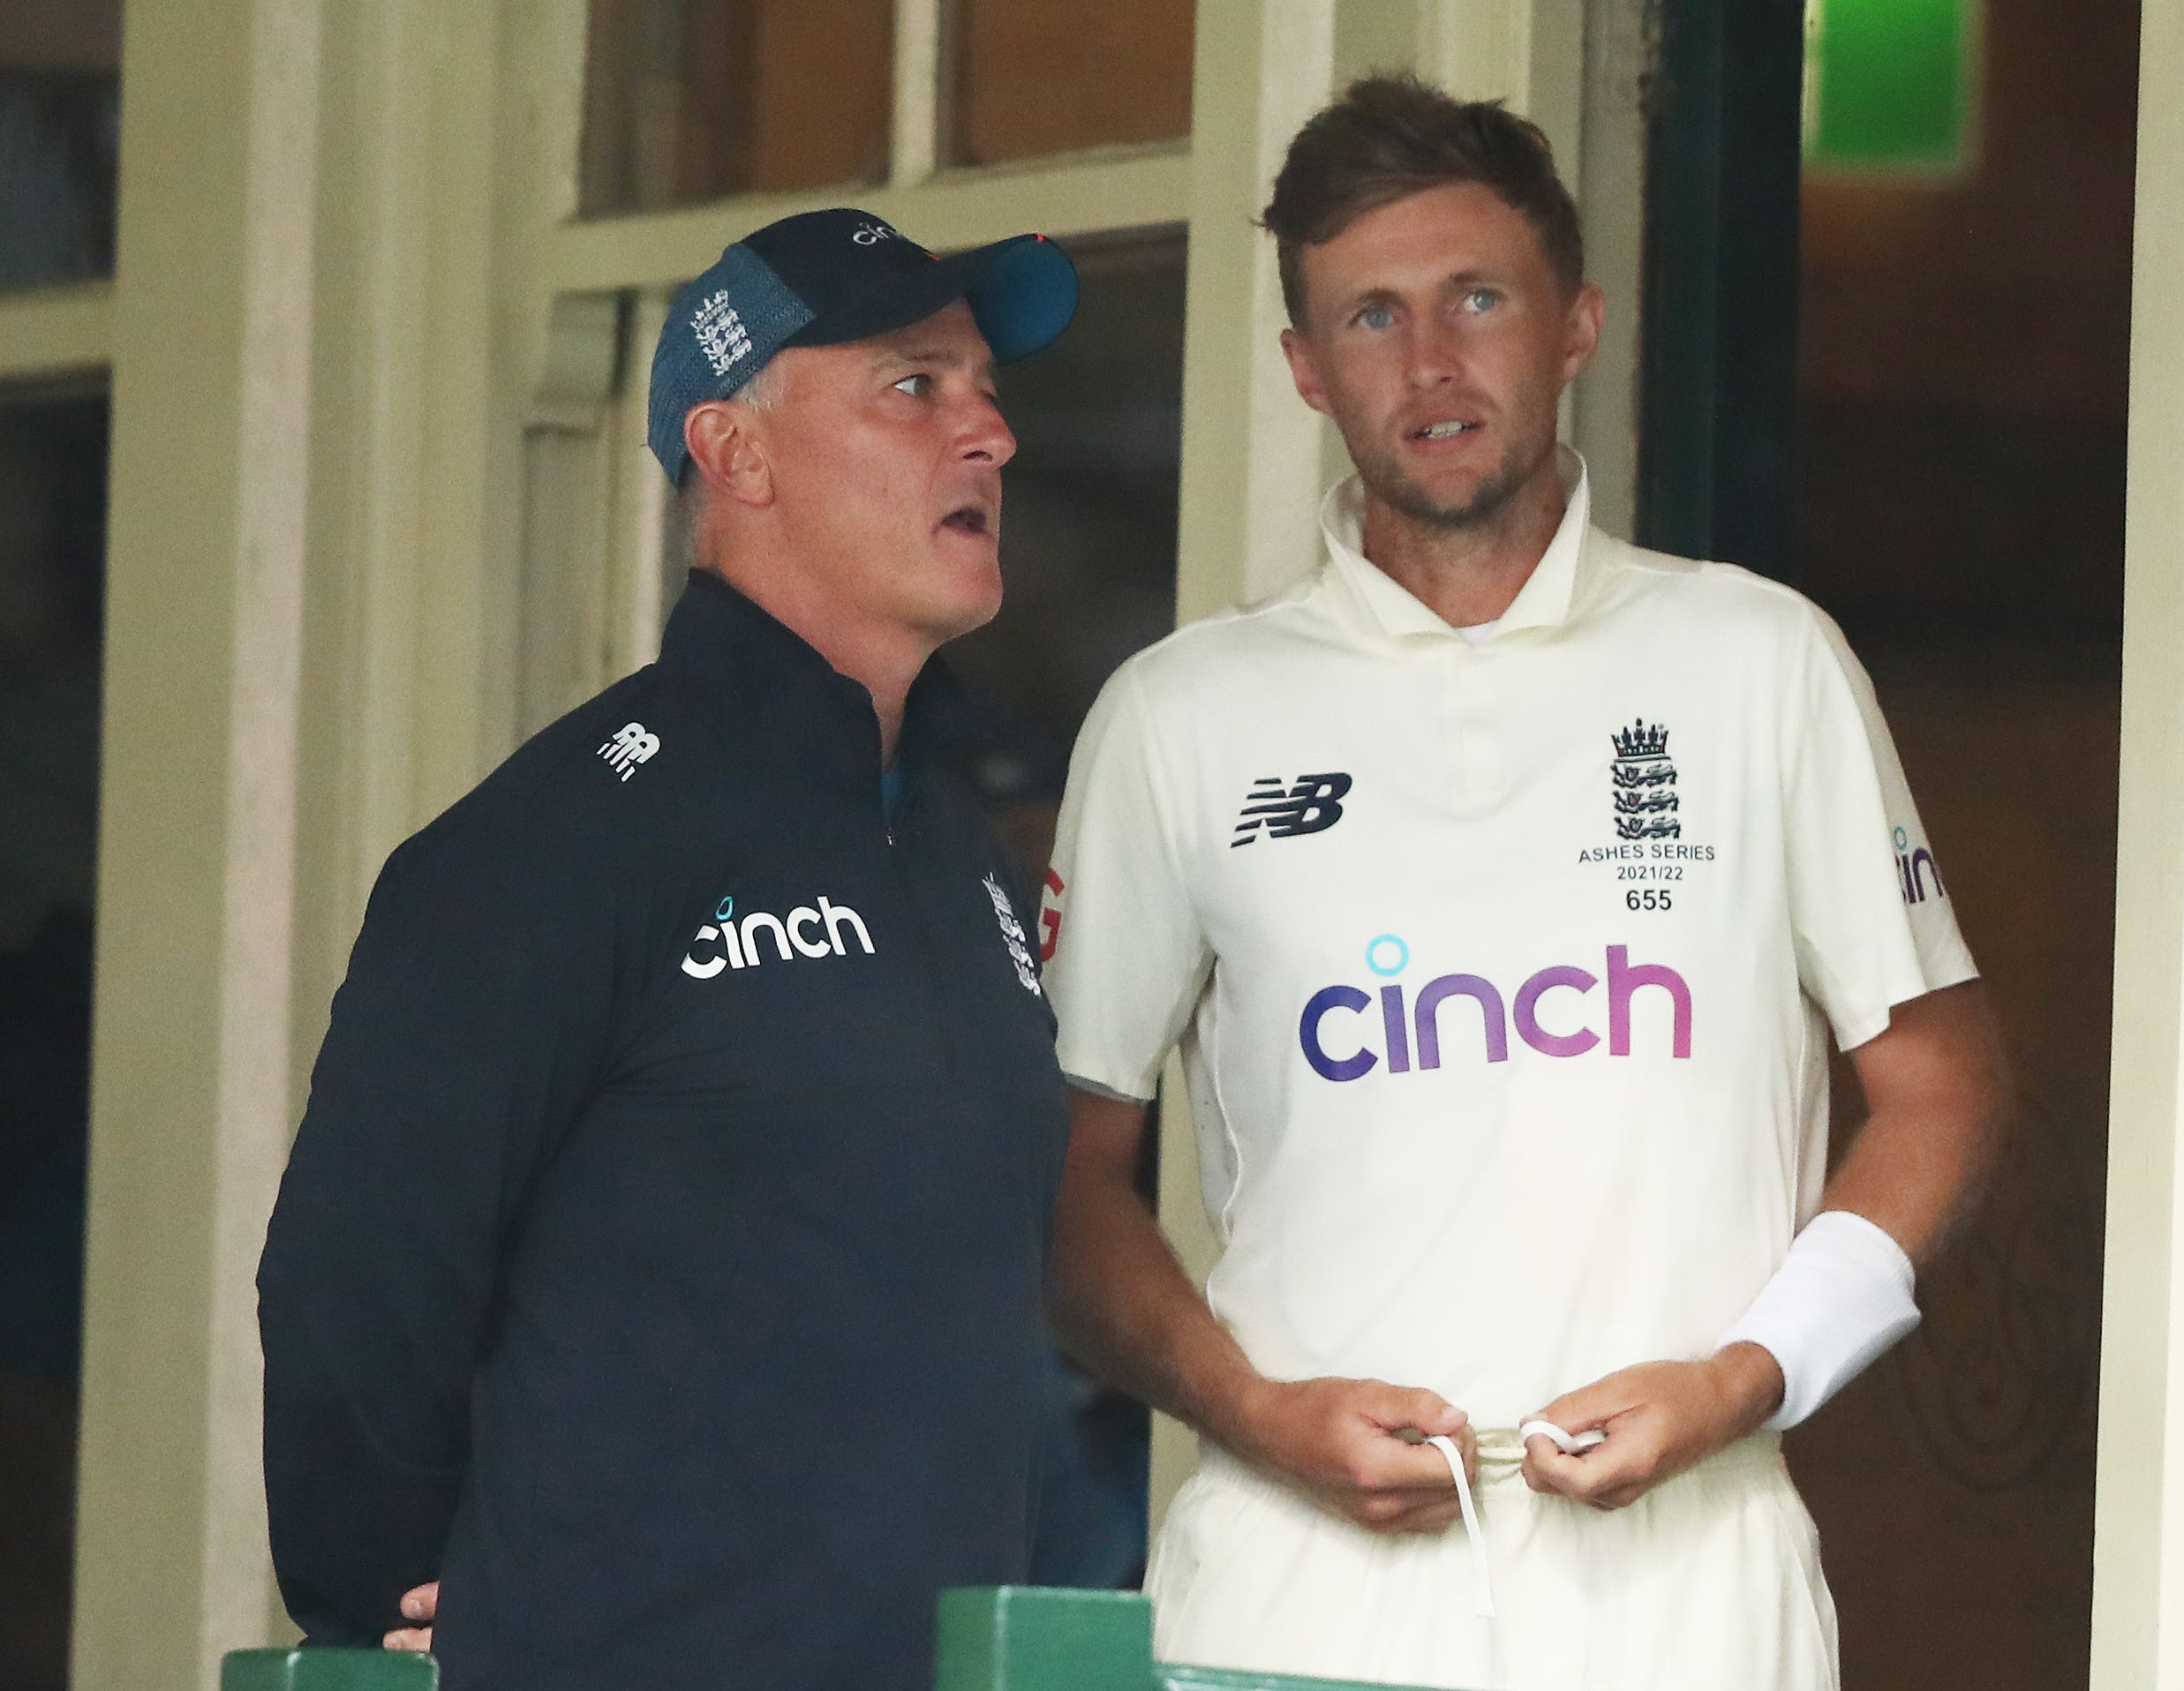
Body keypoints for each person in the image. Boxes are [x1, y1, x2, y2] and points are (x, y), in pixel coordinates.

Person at [1041, 76, 2011, 1690]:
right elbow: (1064, 1178)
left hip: (1692, 1586)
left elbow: (1943, 1086)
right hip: (1298, 1590)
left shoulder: (1756, 660)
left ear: (1575, 322)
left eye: (1477, 299)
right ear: (1301, 366)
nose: (1429, 364)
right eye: (1369, 316)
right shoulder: (1177, 717)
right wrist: (1255, 1415)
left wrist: (1751, 1375)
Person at [258, 207, 1079, 1691]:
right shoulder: (556, 840)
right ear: (736, 451)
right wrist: (399, 1611)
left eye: (984, 387)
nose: (990, 435)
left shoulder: (952, 840)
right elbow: (354, 1279)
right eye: (915, 385)